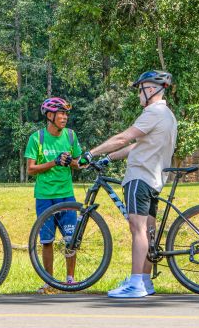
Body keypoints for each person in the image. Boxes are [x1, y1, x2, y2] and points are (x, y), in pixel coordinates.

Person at [82, 70, 177, 299]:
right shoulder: (168, 115)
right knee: (148, 230)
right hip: (154, 179)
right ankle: (144, 281)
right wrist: (109, 158)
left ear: (152, 89)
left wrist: (91, 153)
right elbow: (137, 146)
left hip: (139, 177)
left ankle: (136, 283)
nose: (138, 95)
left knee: (138, 229)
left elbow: (124, 138)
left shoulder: (153, 112)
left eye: (140, 89)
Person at [24, 97, 83, 293]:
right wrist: (54, 162)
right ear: (50, 116)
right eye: (61, 113)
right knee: (46, 241)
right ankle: (49, 282)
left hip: (67, 196)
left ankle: (70, 280)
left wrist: (71, 163)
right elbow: (31, 169)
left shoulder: (71, 136)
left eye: (66, 114)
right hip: (44, 196)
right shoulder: (37, 138)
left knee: (70, 239)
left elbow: (78, 163)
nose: (65, 117)